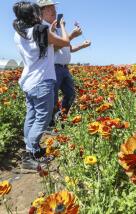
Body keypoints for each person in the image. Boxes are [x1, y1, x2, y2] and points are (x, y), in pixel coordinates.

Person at [13, 1, 70, 171]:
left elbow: (42, 47)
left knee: (31, 117)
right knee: (42, 119)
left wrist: (50, 30)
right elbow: (65, 42)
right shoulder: (41, 31)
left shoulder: (20, 33)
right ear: (34, 15)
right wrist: (61, 26)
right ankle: (30, 154)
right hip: (42, 82)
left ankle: (33, 151)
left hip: (29, 82)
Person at [37, 0, 91, 127]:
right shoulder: (44, 28)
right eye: (50, 9)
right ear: (42, 12)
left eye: (54, 9)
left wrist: (82, 45)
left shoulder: (59, 29)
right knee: (53, 98)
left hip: (64, 68)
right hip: (54, 68)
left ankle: (61, 117)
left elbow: (68, 48)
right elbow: (54, 47)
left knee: (71, 94)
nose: (54, 12)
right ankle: (50, 124)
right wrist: (71, 36)